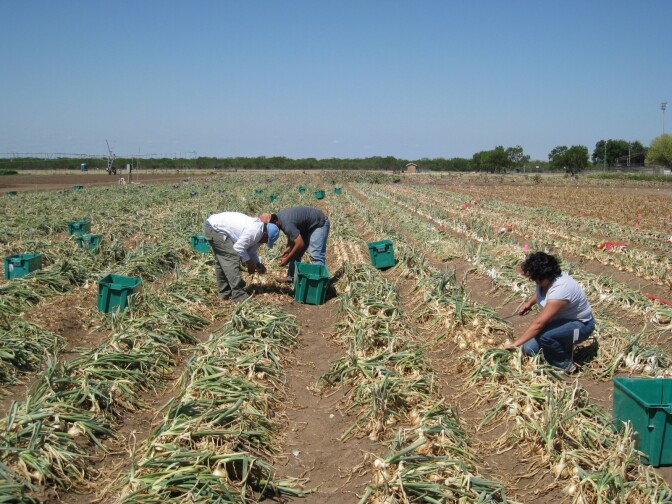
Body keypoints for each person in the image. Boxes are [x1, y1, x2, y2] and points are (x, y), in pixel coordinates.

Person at [503, 252, 595, 373]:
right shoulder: (544, 280)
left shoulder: (561, 289)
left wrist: (516, 343)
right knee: (529, 349)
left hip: (581, 326)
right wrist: (529, 303)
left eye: (536, 279)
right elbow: (540, 292)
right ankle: (562, 344)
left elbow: (539, 324)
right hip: (562, 322)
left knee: (545, 336)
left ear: (546, 275)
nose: (535, 281)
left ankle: (565, 365)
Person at [204, 212, 279, 302]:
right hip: (215, 229)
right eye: (267, 241)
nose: (265, 243)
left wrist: (257, 263)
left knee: (223, 261)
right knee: (231, 258)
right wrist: (249, 263)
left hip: (214, 227)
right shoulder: (255, 231)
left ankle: (224, 292)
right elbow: (238, 247)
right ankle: (238, 294)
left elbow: (250, 251)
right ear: (266, 234)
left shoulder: (260, 232)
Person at [260, 206, 330, 283]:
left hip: (318, 224)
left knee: (316, 256)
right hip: (306, 226)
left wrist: (287, 259)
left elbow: (300, 244)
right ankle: (291, 277)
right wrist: (288, 248)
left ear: (274, 221)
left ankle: (319, 286)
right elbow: (291, 236)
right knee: (294, 252)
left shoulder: (286, 224)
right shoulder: (279, 219)